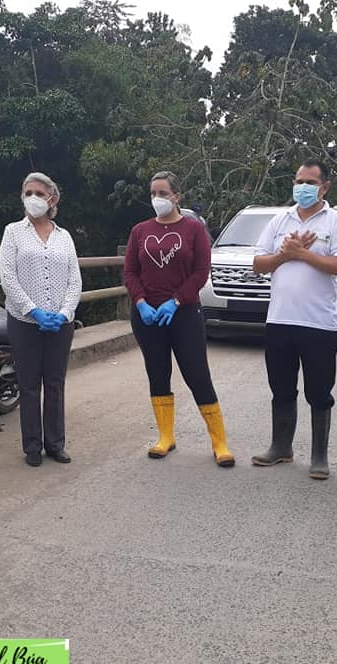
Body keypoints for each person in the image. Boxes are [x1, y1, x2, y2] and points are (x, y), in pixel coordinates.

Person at [251, 159, 337, 479]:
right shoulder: (280, 220)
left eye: (310, 182)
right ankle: (281, 447)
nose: (303, 187)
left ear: (325, 187)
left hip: (319, 323)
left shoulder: (336, 222)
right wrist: (284, 255)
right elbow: (258, 264)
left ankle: (319, 456)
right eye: (299, 181)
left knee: (319, 392)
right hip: (280, 320)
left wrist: (304, 255)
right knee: (281, 388)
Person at [123, 171, 235, 468]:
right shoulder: (140, 231)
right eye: (153, 193)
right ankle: (165, 436)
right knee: (157, 372)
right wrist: (141, 303)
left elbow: (201, 271)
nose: (157, 198)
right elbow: (130, 272)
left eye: (162, 193)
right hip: (147, 316)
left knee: (197, 374)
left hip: (183, 312)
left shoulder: (193, 229)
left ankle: (219, 441)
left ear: (176, 196)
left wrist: (176, 301)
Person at [0, 173, 82, 468]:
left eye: (38, 192)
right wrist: (33, 310)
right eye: (27, 192)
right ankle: (32, 446)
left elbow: (75, 279)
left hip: (60, 322)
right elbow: (8, 277)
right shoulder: (13, 232)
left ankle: (55, 444)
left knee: (55, 383)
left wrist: (64, 313)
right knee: (29, 384)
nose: (32, 197)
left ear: (52, 199)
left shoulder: (64, 236)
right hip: (24, 322)